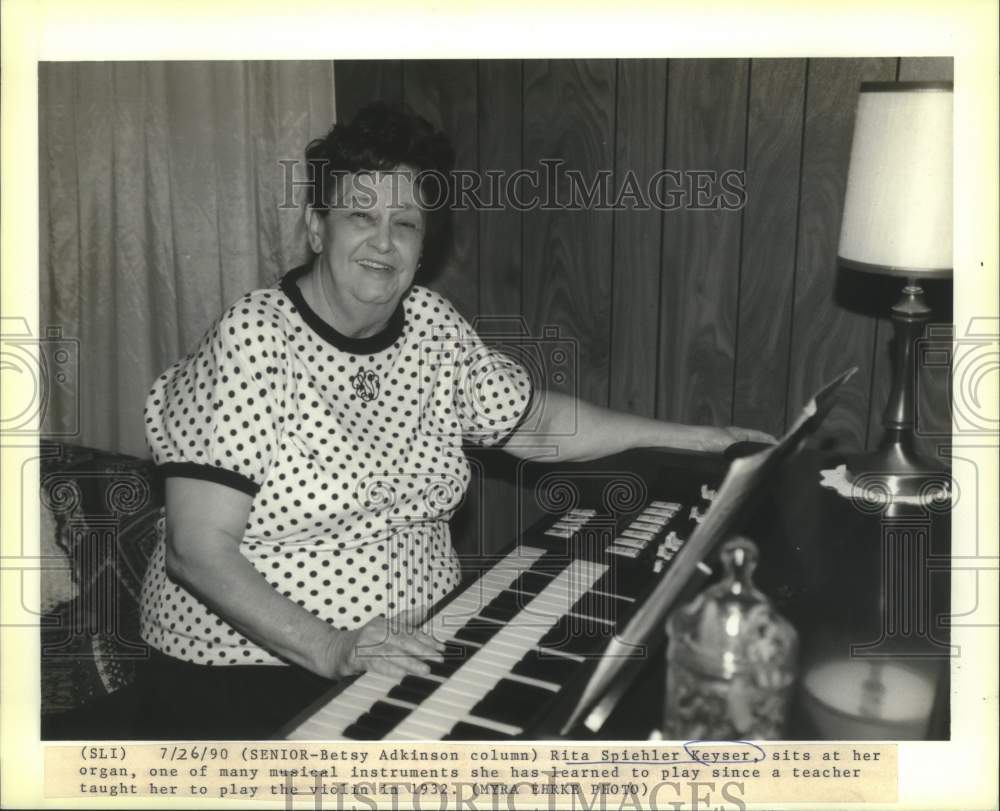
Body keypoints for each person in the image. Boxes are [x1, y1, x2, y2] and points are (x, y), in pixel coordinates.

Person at [135, 102, 772, 739]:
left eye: (405, 223)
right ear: (315, 227)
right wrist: (332, 648)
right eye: (361, 215)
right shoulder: (255, 339)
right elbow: (197, 551)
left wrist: (706, 442)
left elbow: (541, 424)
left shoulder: (434, 326)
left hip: (407, 644)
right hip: (254, 668)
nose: (383, 241)